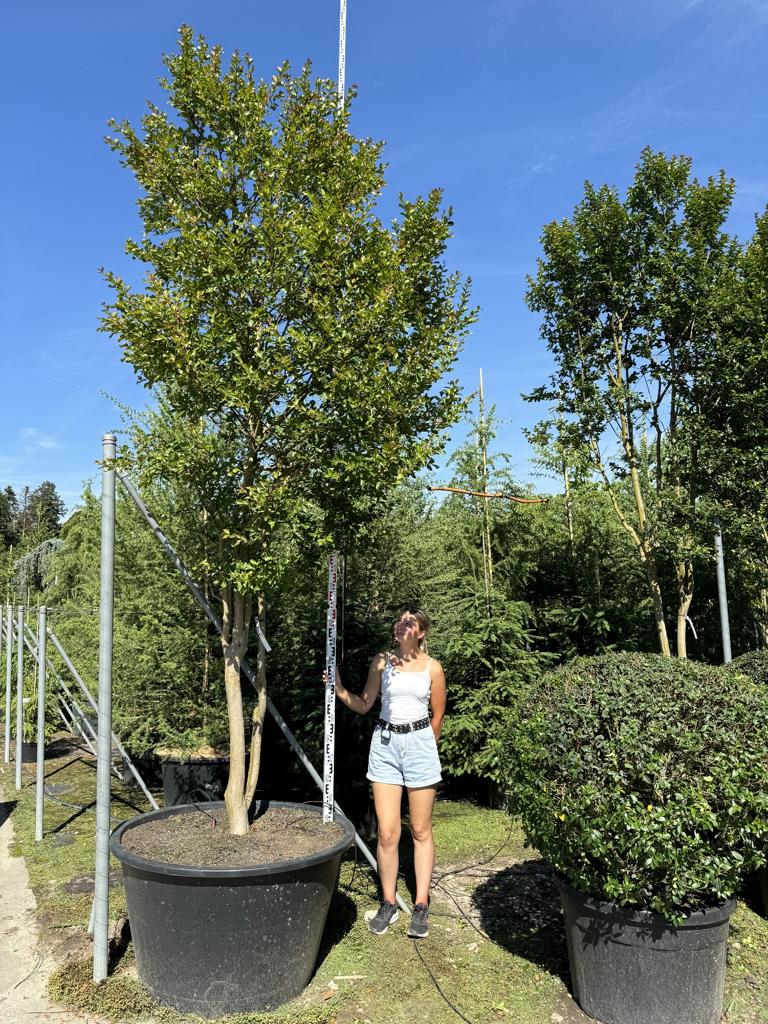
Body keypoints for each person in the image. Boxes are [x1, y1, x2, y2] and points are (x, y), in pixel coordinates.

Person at [331, 609, 446, 939]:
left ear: (421, 632)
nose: (401, 624)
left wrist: (424, 747)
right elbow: (366, 703)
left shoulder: (432, 668)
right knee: (387, 832)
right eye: (399, 619)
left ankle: (421, 904)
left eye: (409, 621)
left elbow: (437, 714)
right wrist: (339, 690)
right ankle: (388, 901)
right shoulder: (382, 661)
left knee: (421, 830)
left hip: (420, 745)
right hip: (385, 747)